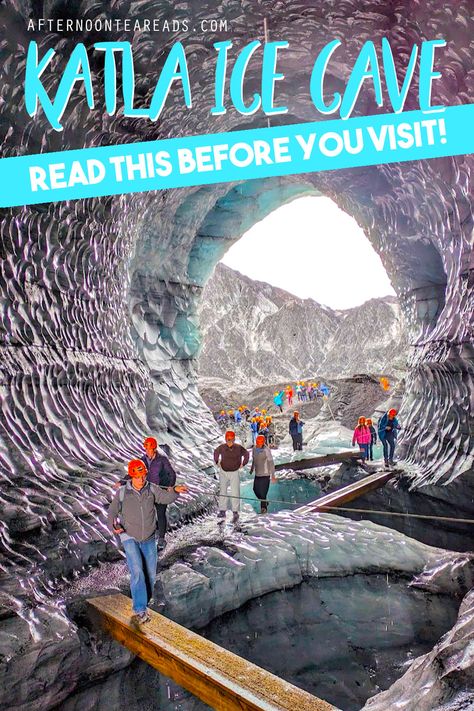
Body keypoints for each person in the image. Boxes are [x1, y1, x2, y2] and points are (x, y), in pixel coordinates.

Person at [108, 459, 187, 623]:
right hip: (129, 536)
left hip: (149, 537)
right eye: (138, 476)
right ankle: (140, 609)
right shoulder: (122, 493)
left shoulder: (151, 488)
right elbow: (112, 511)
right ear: (131, 476)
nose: (142, 479)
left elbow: (165, 498)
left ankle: (144, 602)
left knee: (150, 573)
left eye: (143, 475)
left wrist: (175, 491)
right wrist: (113, 525)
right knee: (137, 570)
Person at [141, 436, 178, 550]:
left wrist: (171, 486)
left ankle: (161, 539)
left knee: (161, 513)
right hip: (149, 491)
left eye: (149, 448)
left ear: (154, 448)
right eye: (146, 448)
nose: (147, 451)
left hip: (162, 491)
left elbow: (172, 473)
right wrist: (121, 482)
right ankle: (149, 538)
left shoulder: (162, 460)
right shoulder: (143, 460)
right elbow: (135, 473)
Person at [213, 431, 249, 524]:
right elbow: (216, 452)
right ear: (226, 439)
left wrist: (243, 463)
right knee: (223, 490)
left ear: (234, 439)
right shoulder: (222, 447)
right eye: (228, 440)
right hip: (223, 471)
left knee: (235, 491)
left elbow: (246, 454)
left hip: (234, 471)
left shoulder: (238, 448)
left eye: (231, 440)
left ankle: (235, 511)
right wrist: (217, 461)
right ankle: (222, 511)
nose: (230, 442)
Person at [250, 434, 276, 514]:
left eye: (260, 442)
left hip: (265, 474)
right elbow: (254, 459)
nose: (258, 444)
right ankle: (264, 501)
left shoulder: (266, 450)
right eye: (257, 442)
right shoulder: (254, 448)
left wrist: (273, 475)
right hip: (257, 474)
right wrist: (252, 468)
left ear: (263, 442)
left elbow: (271, 462)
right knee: (255, 490)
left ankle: (263, 509)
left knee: (263, 493)